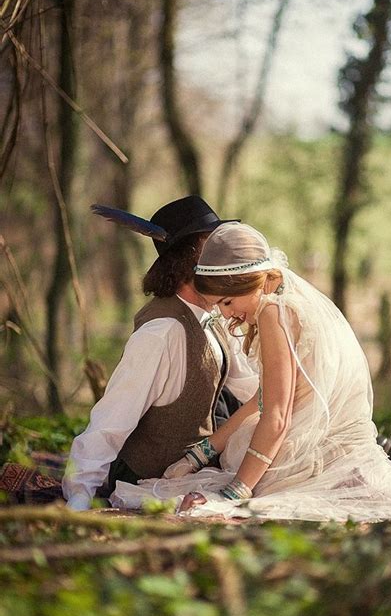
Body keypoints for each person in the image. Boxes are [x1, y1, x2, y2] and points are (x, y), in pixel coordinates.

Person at [109, 223, 391, 523]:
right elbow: (263, 397)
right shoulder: (286, 303)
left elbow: (278, 417)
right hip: (322, 437)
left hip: (302, 445)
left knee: (240, 452)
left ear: (249, 283)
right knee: (232, 446)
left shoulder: (274, 313)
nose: (226, 315)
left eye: (227, 303)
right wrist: (201, 453)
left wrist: (236, 493)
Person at [62, 199, 258, 511]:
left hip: (199, 465)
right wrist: (79, 496)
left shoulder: (215, 317)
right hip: (150, 478)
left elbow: (251, 389)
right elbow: (110, 421)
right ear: (188, 259)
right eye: (214, 248)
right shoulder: (162, 333)